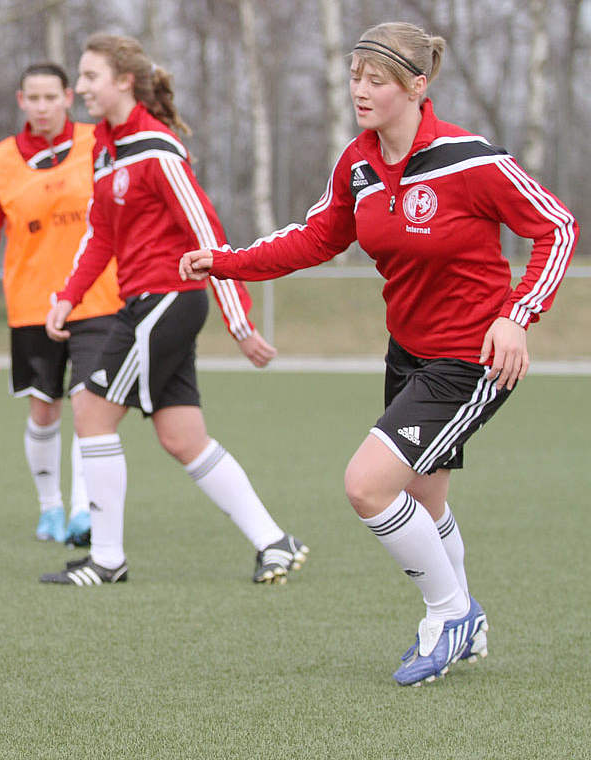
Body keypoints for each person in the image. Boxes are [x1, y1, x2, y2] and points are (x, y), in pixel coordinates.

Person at [180, 22, 577, 685]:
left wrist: (518, 315)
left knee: (366, 486)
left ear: (416, 86)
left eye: (375, 79)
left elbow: (556, 226)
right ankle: (467, 621)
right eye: (354, 76)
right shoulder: (358, 165)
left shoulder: (469, 160)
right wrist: (225, 262)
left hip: (471, 358)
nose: (359, 90)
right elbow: (314, 237)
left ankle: (449, 614)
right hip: (408, 352)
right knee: (422, 496)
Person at [39, 33, 308, 587]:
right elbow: (101, 238)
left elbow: (207, 233)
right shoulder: (107, 150)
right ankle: (274, 542)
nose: (82, 87)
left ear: (123, 82)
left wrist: (239, 321)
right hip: (144, 301)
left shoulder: (156, 148)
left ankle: (107, 560)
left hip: (168, 300)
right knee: (182, 436)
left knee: (90, 407)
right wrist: (68, 297)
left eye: (90, 77)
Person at [0, 62, 123, 547]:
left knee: (92, 407)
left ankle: (87, 513)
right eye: (34, 98)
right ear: (21, 101)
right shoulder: (2, 159)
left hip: (99, 300)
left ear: (69, 97)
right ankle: (51, 508)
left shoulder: (99, 143)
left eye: (53, 97)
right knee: (45, 409)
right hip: (32, 308)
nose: (44, 107)